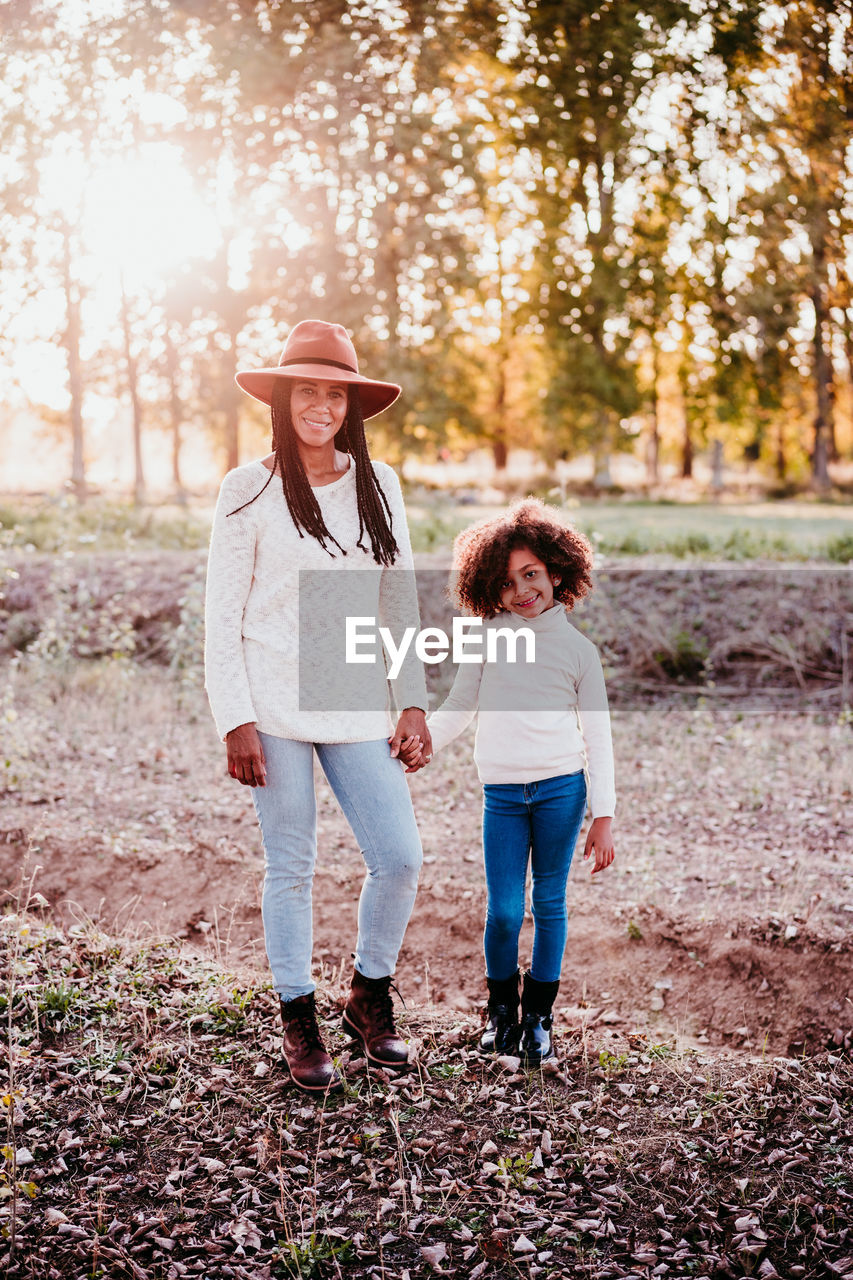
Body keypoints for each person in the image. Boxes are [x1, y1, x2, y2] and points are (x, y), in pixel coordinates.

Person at [204, 319, 431, 1095]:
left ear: (350, 406)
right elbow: (221, 612)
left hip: (351, 689)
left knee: (399, 856)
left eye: (335, 393)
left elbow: (396, 599)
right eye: (308, 390)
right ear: (283, 399)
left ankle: (368, 995)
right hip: (270, 697)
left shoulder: (380, 484)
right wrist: (234, 717)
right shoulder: (250, 488)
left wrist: (412, 704)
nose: (321, 405)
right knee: (291, 865)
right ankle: (297, 1015)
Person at [404, 499, 615, 1065]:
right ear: (487, 590)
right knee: (502, 911)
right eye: (506, 582)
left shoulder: (578, 652)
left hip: (561, 792)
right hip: (502, 796)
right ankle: (501, 1011)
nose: (522, 590)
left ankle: (539, 1018)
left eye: (531, 575)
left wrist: (604, 814)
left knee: (549, 903)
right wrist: (424, 742)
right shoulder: (486, 637)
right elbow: (458, 706)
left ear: (556, 573)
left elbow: (598, 737)